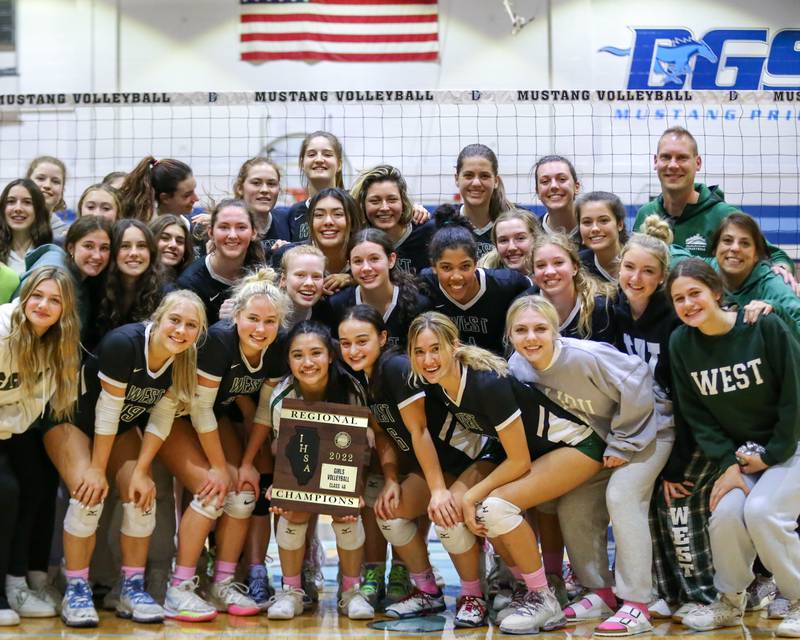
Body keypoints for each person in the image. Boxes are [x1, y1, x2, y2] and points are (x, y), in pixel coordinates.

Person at [507, 295, 670, 636]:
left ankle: (638, 603)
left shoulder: (584, 356)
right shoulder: (518, 368)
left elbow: (639, 378)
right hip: (605, 442)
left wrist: (623, 443)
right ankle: (601, 591)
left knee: (622, 497)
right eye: (521, 330)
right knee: (574, 505)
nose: (531, 337)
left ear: (556, 331)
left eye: (540, 328)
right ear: (510, 335)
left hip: (650, 428)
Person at [43, 290, 206, 627]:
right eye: (175, 320)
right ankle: (76, 587)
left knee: (140, 495)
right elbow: (106, 412)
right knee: (88, 496)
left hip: (117, 429)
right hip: (69, 419)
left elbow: (160, 418)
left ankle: (129, 586)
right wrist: (97, 471)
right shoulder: (125, 344)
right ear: (158, 318)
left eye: (191, 325)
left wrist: (142, 470)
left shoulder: (184, 359)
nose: (180, 330)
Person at [667, 259, 800, 637]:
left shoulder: (763, 326)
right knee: (725, 515)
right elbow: (696, 414)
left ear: (717, 293)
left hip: (792, 443)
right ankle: (729, 601)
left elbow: (795, 395)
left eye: (695, 293)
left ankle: (798, 598)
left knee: (761, 512)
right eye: (679, 298)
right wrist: (727, 463)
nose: (689, 304)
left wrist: (772, 455)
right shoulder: (681, 343)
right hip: (744, 455)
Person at [158, 270, 289, 620]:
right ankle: (179, 588)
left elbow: (263, 411)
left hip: (215, 419)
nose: (260, 329)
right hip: (174, 415)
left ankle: (223, 583)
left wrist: (246, 463)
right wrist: (219, 467)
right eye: (253, 319)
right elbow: (198, 408)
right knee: (213, 490)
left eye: (270, 321)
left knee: (245, 492)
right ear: (237, 316)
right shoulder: (218, 340)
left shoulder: (277, 346)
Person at [612, 217, 718, 617]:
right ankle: (661, 591)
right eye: (629, 267)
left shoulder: (676, 320)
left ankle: (700, 595)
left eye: (648, 272)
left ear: (662, 279)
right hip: (642, 426)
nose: (636, 278)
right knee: (648, 506)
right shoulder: (614, 309)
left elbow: (691, 400)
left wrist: (677, 465)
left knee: (674, 503)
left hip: (687, 428)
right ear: (619, 265)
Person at [250, 321, 375, 621]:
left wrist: (353, 491)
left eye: (316, 353)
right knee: (291, 509)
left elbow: (359, 448)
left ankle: (350, 591)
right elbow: (279, 447)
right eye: (298, 355)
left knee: (346, 511)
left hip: (339, 465)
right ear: (288, 360)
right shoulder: (282, 395)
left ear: (331, 355)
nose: (307, 363)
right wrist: (283, 486)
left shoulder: (351, 389)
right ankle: (291, 591)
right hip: (299, 460)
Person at [0, 268, 80, 626]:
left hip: (11, 427)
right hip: (8, 426)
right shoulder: (3, 332)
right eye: (37, 296)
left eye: (55, 300)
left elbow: (37, 410)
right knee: (7, 490)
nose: (44, 305)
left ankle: (20, 582)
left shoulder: (61, 343)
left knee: (40, 482)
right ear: (24, 295)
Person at [633, 127, 794, 276]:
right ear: (656, 161)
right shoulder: (646, 213)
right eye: (666, 157)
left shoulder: (724, 215)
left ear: (698, 163)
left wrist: (781, 271)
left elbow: (776, 256)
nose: (673, 165)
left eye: (682, 158)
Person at [417, 206, 530, 354]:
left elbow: (534, 290)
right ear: (433, 266)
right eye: (446, 267)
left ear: (476, 263)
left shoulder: (508, 283)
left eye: (465, 266)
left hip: (497, 369)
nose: (456, 277)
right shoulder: (426, 282)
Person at [316, 228, 429, 347]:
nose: (366, 268)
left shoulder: (418, 305)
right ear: (350, 265)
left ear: (391, 260)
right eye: (358, 261)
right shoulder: (337, 305)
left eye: (374, 259)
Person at [710, 212, 800, 338]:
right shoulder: (703, 275)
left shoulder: (774, 286)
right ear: (715, 249)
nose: (735, 248)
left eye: (745, 243)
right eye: (727, 240)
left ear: (757, 255)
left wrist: (777, 310)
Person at [177, 198, 264, 325]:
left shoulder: (264, 268)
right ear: (211, 233)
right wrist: (222, 324)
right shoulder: (190, 284)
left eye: (241, 227)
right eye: (224, 227)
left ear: (253, 233)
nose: (233, 235)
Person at [271, 187, 363, 295]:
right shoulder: (287, 255)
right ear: (310, 223)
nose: (328, 222)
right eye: (319, 215)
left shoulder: (365, 260)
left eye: (338, 214)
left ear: (352, 222)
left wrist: (354, 279)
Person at [530, 232, 616, 342]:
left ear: (575, 268)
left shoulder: (600, 308)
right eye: (541, 265)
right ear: (533, 273)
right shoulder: (525, 308)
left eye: (558, 263)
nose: (550, 272)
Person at [351, 164, 434, 274]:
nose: (384, 208)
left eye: (392, 200)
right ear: (363, 205)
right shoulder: (356, 239)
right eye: (375, 201)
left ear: (403, 202)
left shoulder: (427, 232)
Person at [93, 219, 164, 340]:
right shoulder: (94, 288)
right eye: (124, 246)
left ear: (151, 252)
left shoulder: (165, 292)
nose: (134, 253)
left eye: (141, 246)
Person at [453, 144, 512, 258]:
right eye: (468, 175)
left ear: (496, 181)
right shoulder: (444, 223)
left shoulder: (517, 221)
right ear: (456, 179)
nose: (476, 183)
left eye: (484, 176)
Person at [287, 131, 345, 242]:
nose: (319, 160)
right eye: (312, 154)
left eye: (327, 154)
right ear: (301, 164)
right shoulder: (294, 213)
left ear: (339, 164)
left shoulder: (352, 205)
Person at [232, 157, 290, 249]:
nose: (265, 190)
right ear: (240, 188)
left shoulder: (288, 220)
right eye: (256, 183)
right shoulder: (224, 227)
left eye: (271, 184)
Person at [118, 156, 199, 222]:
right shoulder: (145, 230)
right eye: (187, 195)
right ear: (165, 198)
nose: (196, 199)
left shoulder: (184, 223)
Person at [0, 179, 53, 275]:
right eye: (11, 201)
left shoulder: (50, 252)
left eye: (27, 202)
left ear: (38, 210)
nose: (18, 208)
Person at [577, 191, 628, 282]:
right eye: (587, 222)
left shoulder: (639, 258)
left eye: (604, 220)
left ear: (620, 224)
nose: (595, 228)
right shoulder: (577, 266)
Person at [533, 155, 582, 244]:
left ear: (576, 187)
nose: (554, 186)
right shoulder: (532, 235)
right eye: (545, 181)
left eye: (562, 179)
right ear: (537, 191)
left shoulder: (594, 230)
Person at [478, 208, 541, 276]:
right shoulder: (483, 277)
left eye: (520, 238)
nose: (511, 247)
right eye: (503, 240)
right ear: (496, 245)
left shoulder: (550, 275)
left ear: (535, 239)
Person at [279, 245, 326, 326]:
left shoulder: (327, 313)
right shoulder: (266, 312)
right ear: (283, 280)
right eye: (300, 275)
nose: (309, 283)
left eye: (316, 276)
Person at [26, 156, 71, 237]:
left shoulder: (66, 235)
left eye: (55, 181)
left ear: (62, 190)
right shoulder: (5, 224)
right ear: (26, 182)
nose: (47, 185)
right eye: (40, 178)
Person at [149, 214, 195, 282]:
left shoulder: (190, 282)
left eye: (179, 241)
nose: (173, 245)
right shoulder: (134, 280)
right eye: (165, 238)